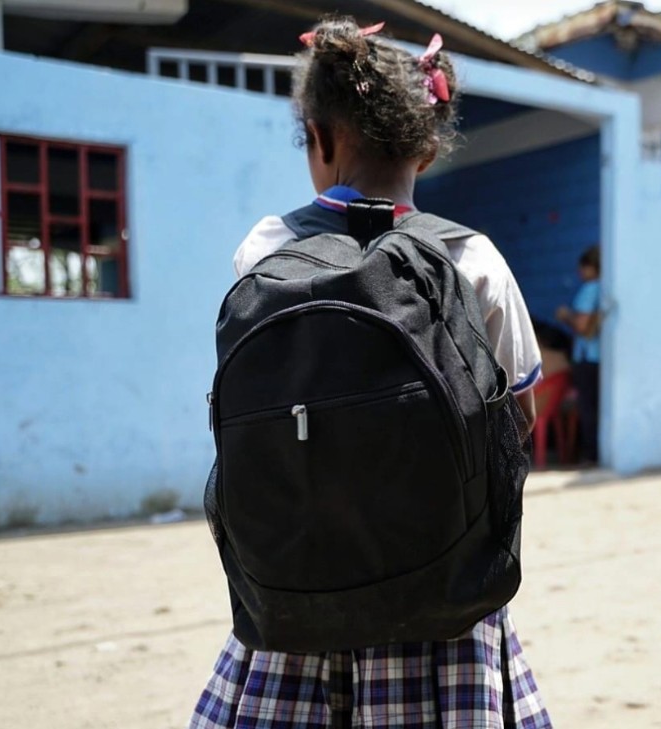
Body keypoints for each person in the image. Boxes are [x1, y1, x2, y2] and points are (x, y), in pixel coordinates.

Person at [191, 17, 551, 728]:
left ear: (319, 138)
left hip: (294, 599)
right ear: (426, 144)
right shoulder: (473, 257)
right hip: (446, 603)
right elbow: (519, 420)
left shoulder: (264, 250)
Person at [555, 246, 601, 465]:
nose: (580, 273)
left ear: (591, 267)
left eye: (583, 268)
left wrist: (565, 317)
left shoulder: (590, 289)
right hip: (600, 357)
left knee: (587, 406)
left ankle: (589, 454)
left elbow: (582, 327)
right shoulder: (606, 287)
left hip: (586, 356)